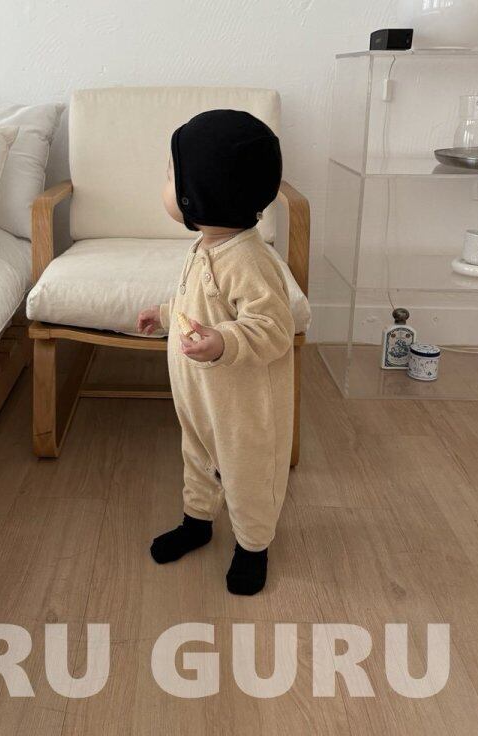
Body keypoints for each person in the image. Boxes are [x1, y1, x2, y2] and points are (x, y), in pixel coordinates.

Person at [137, 109, 294, 595]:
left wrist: (224, 341)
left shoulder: (249, 259)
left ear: (197, 195)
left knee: (247, 474)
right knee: (198, 457)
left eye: (171, 175)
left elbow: (274, 329)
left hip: (242, 406)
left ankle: (253, 546)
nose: (164, 183)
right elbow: (196, 306)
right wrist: (167, 315)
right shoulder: (206, 245)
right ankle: (198, 521)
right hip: (199, 396)